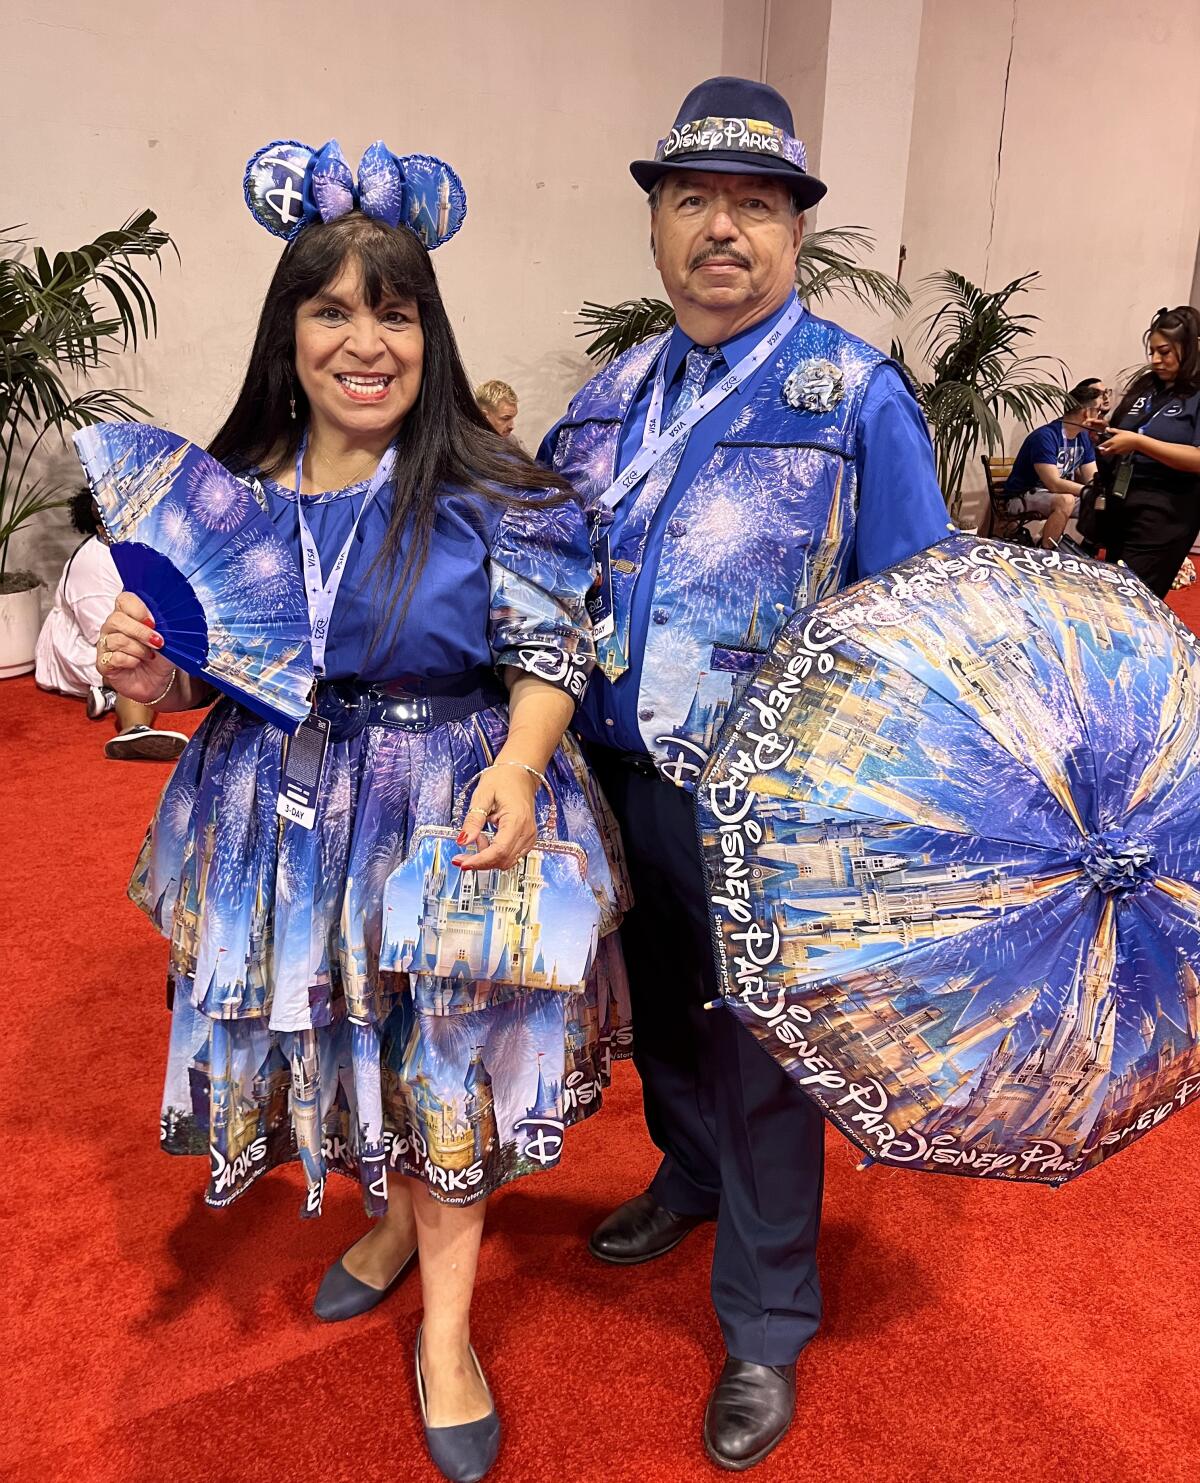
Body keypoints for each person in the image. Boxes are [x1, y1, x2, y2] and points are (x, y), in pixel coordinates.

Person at [95, 136, 627, 1483]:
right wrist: (148, 664)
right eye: (331, 308)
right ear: (291, 331)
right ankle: (389, 1227)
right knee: (348, 1044)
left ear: (429, 331)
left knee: (449, 1062)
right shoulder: (240, 487)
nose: (364, 339)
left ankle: (448, 1335)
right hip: (282, 809)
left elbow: (553, 647)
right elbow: (208, 661)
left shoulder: (489, 487)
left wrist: (519, 763)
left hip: (458, 801)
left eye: (393, 309)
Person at [541, 77, 950, 1472]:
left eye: (756, 206)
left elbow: (922, 618)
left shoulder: (852, 396)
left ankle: (769, 1319)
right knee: (659, 1009)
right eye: (696, 201)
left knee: (766, 1051)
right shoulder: (604, 400)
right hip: (614, 773)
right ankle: (691, 1170)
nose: (724, 229)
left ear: (794, 232)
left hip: (770, 808)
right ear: (657, 224)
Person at [35, 488, 188, 760]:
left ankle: (107, 697)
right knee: (134, 658)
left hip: (128, 635)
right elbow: (106, 638)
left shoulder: (140, 549)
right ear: (100, 527)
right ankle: (133, 729)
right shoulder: (92, 566)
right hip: (85, 648)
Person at [1088, 306, 1200, 598]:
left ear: (1189, 347)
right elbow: (1127, 433)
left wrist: (1139, 443)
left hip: (1166, 515)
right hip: (1123, 506)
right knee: (1110, 596)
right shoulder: (1147, 387)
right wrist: (1103, 433)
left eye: (1164, 352)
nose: (1155, 360)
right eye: (1151, 352)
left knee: (1133, 600)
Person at [1002, 380, 1104, 548]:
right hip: (1020, 497)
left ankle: (1090, 552)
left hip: (1051, 495)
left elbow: (1091, 478)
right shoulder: (1046, 436)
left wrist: (1100, 493)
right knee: (1066, 500)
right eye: (1097, 411)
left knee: (1103, 506)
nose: (1099, 416)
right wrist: (1089, 491)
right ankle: (1045, 554)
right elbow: (1054, 484)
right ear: (1087, 413)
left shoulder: (1083, 438)